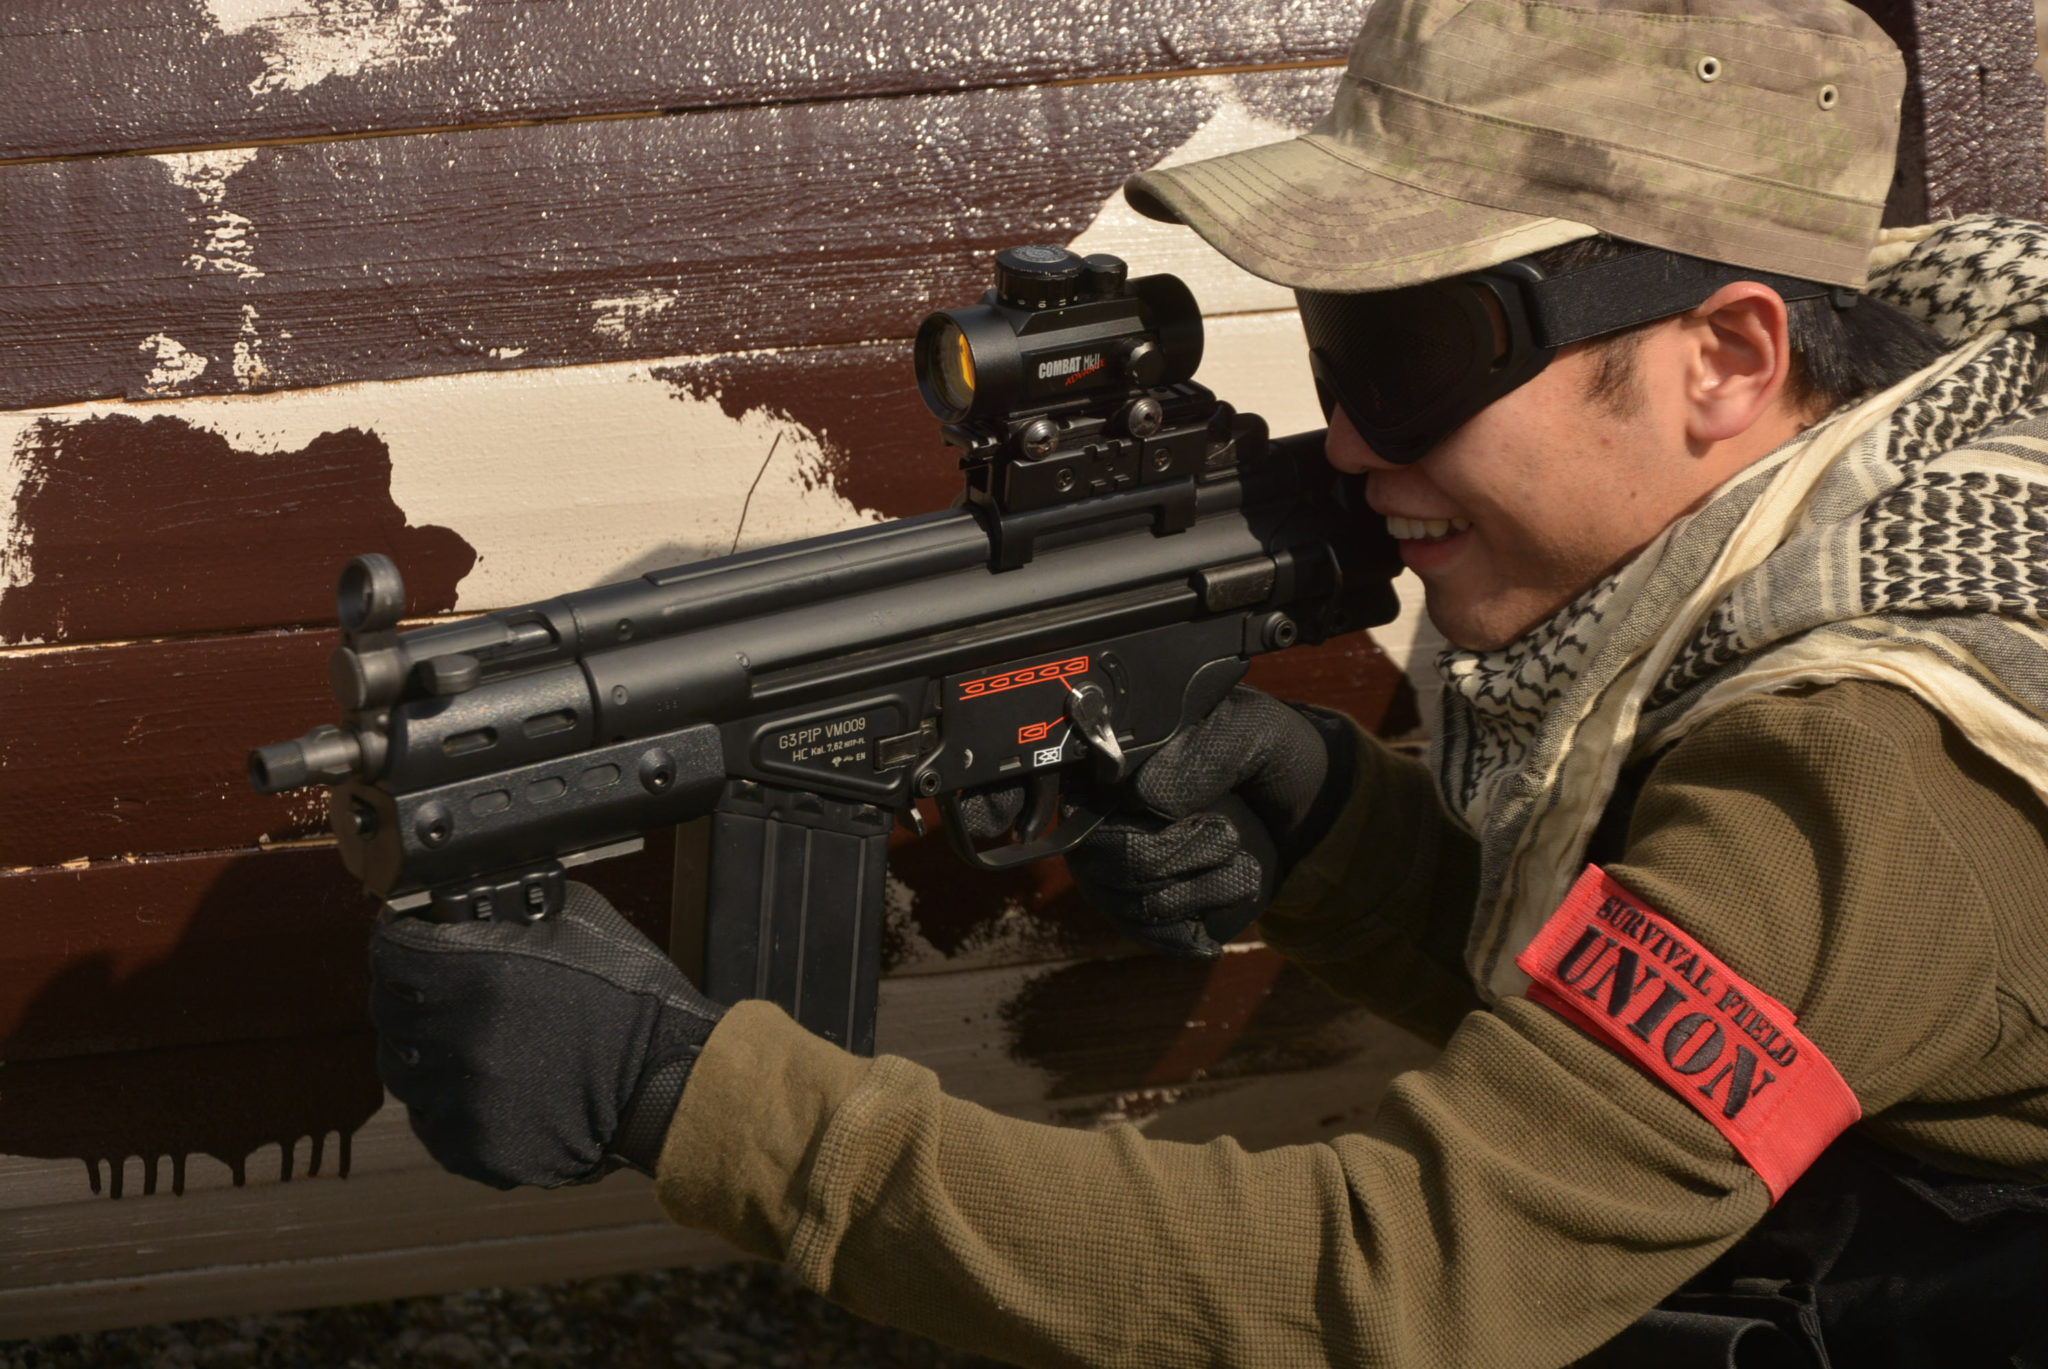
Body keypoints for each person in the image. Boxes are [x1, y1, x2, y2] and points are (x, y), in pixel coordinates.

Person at [368, 0, 2048, 1363]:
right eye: (1335, 339)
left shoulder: (1862, 768)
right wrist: (1336, 834)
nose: (1349, 439)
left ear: (1730, 358)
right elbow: (1655, 1044)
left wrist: (690, 1096)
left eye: (1416, 349)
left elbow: (1390, 1286)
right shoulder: (1904, 482)